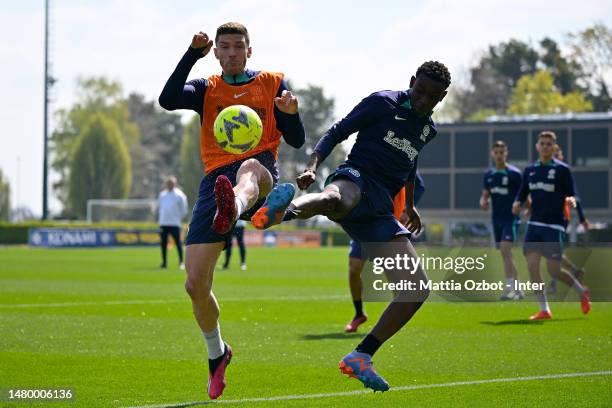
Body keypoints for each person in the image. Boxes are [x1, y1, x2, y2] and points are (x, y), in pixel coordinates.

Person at [251, 61, 451, 391]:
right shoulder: (382, 102)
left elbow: (410, 163)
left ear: (441, 97)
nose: (423, 100)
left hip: (381, 210)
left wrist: (411, 204)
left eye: (431, 97)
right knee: (335, 198)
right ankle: (281, 211)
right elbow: (337, 131)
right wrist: (313, 167)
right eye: (419, 91)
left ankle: (362, 356)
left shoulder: (428, 130)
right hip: (355, 177)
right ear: (411, 81)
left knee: (416, 289)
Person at [158, 22, 305, 399]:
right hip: (214, 182)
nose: (233, 52)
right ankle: (217, 354)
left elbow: (297, 139)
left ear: (249, 51)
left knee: (247, 172)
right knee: (194, 285)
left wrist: (291, 112)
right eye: (225, 47)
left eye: (239, 46)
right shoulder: (207, 88)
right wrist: (192, 53)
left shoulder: (273, 82)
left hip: (260, 171)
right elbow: (168, 99)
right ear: (217, 53)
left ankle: (239, 206)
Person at [512, 131, 591, 320]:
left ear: (554, 147)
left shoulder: (563, 170)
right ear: (537, 146)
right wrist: (517, 202)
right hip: (534, 224)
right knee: (532, 266)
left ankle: (581, 291)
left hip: (554, 226)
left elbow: (573, 194)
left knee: (553, 270)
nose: (545, 146)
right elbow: (523, 193)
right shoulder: (530, 170)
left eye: (549, 144)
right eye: (543, 143)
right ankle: (544, 309)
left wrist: (572, 201)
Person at [344, 172, 424, 333]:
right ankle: (359, 314)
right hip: (364, 221)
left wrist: (406, 208)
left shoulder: (399, 158)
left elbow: (418, 186)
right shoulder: (361, 159)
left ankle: (397, 316)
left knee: (390, 269)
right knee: (354, 268)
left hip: (386, 222)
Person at [479, 141, 523, 300]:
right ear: (492, 154)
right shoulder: (489, 174)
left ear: (506, 153)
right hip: (496, 218)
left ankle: (509, 290)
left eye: (502, 152)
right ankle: (518, 289)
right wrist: (483, 201)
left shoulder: (515, 174)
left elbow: (524, 194)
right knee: (507, 254)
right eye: (496, 152)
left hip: (510, 219)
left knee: (505, 250)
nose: (499, 155)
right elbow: (486, 193)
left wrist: (525, 206)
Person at [546, 146, 590, 293]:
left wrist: (582, 219)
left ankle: (554, 283)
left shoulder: (564, 173)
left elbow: (574, 197)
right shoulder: (546, 172)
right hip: (548, 217)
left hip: (560, 217)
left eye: (557, 155)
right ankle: (574, 270)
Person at [158, 176, 188, 269]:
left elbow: (184, 210)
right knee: (163, 244)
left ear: (174, 184)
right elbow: (161, 208)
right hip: (164, 223)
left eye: (171, 183)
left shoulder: (180, 195)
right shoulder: (162, 195)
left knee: (178, 243)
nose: (169, 185)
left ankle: (181, 262)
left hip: (175, 223)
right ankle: (164, 263)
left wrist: (178, 218)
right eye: (168, 183)